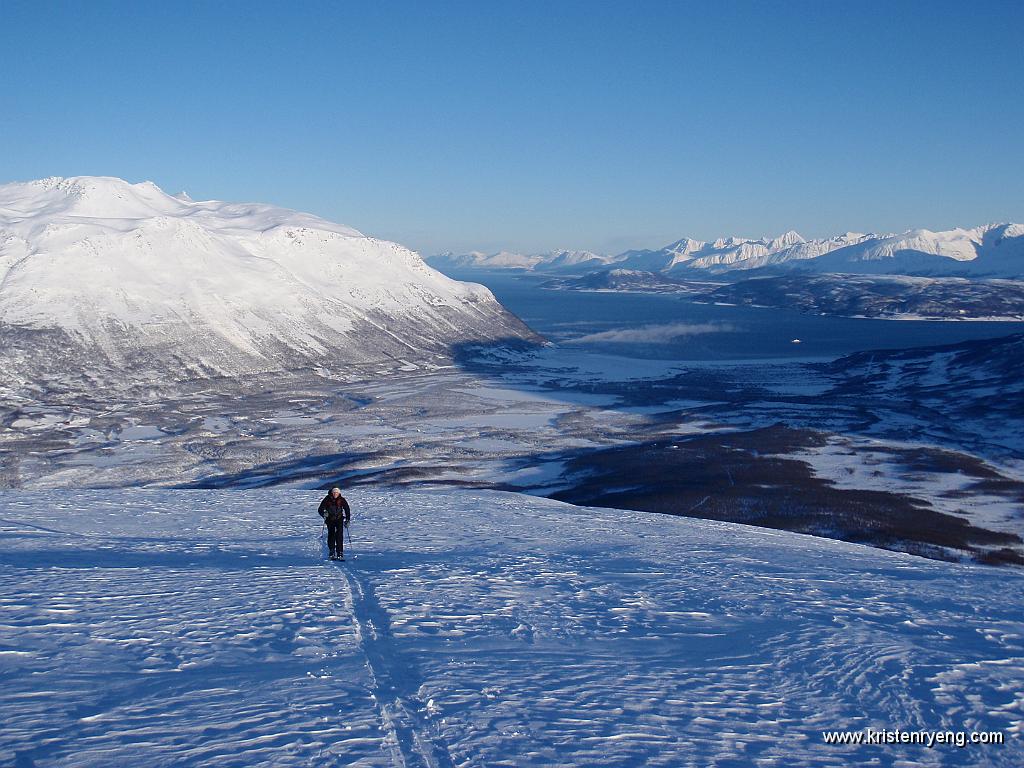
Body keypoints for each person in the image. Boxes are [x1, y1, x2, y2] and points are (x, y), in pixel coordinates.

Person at [318, 487, 351, 560]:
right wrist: (324, 514)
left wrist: (348, 519)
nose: (335, 494)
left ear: (339, 493)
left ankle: (340, 552)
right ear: (332, 493)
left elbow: (347, 509)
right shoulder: (327, 499)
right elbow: (320, 509)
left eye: (337, 493)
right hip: (330, 519)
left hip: (339, 519)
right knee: (331, 534)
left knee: (339, 535)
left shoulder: (342, 499)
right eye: (334, 493)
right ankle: (332, 551)